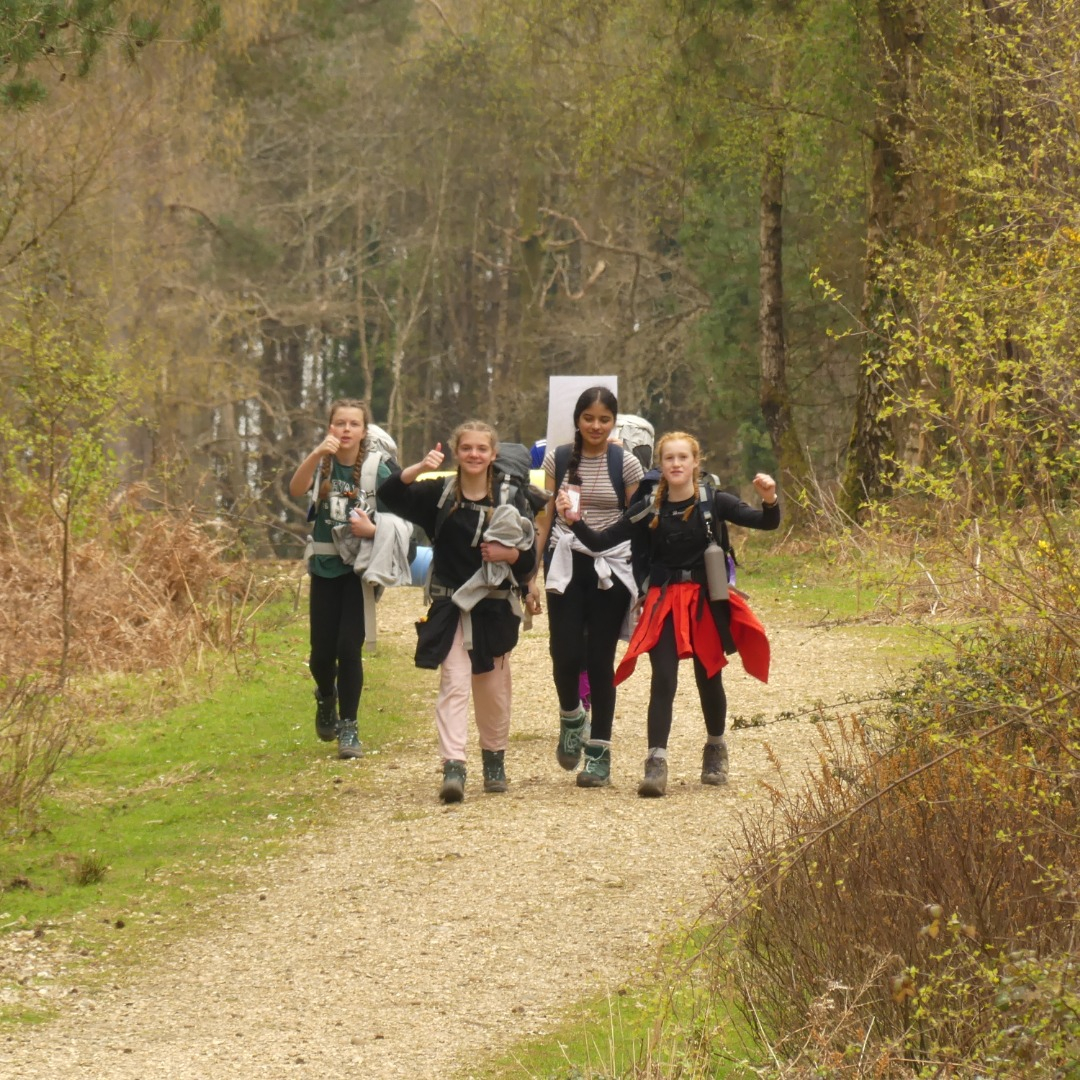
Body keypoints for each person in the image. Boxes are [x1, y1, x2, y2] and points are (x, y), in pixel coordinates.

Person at [555, 431, 779, 797]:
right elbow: (601, 542)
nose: (676, 464)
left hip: (705, 601)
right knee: (663, 678)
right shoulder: (648, 507)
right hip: (664, 602)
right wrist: (574, 519)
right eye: (669, 459)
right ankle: (656, 762)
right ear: (660, 465)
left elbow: (766, 522)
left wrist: (769, 499)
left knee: (709, 676)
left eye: (682, 458)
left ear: (695, 463)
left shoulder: (713, 501)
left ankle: (715, 748)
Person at [378, 421, 537, 803]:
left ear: (493, 454)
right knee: (453, 682)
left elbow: (528, 554)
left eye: (482, 448)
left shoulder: (510, 497)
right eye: (466, 448)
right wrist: (418, 467)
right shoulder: (439, 493)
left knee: (493, 690)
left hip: (495, 608)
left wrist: (509, 555)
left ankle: (494, 761)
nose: (474, 455)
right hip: (451, 605)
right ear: (456, 452)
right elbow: (388, 495)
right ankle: (454, 766)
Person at [534, 386, 644, 788]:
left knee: (599, 661)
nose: (596, 426)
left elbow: (634, 524)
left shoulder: (626, 464)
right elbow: (544, 520)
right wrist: (531, 574)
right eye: (589, 418)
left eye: (604, 419)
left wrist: (642, 582)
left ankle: (599, 754)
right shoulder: (558, 459)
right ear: (577, 420)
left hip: (610, 569)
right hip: (565, 565)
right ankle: (571, 717)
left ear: (614, 422)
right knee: (563, 653)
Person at [288, 398, 394, 759]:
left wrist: (373, 527)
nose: (346, 430)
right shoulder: (322, 465)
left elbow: (399, 520)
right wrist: (317, 453)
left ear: (365, 431)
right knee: (321, 656)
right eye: (339, 423)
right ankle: (326, 696)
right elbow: (295, 489)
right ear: (330, 427)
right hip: (324, 569)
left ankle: (349, 727)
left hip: (359, 572)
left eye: (354, 424)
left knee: (349, 648)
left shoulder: (376, 470)